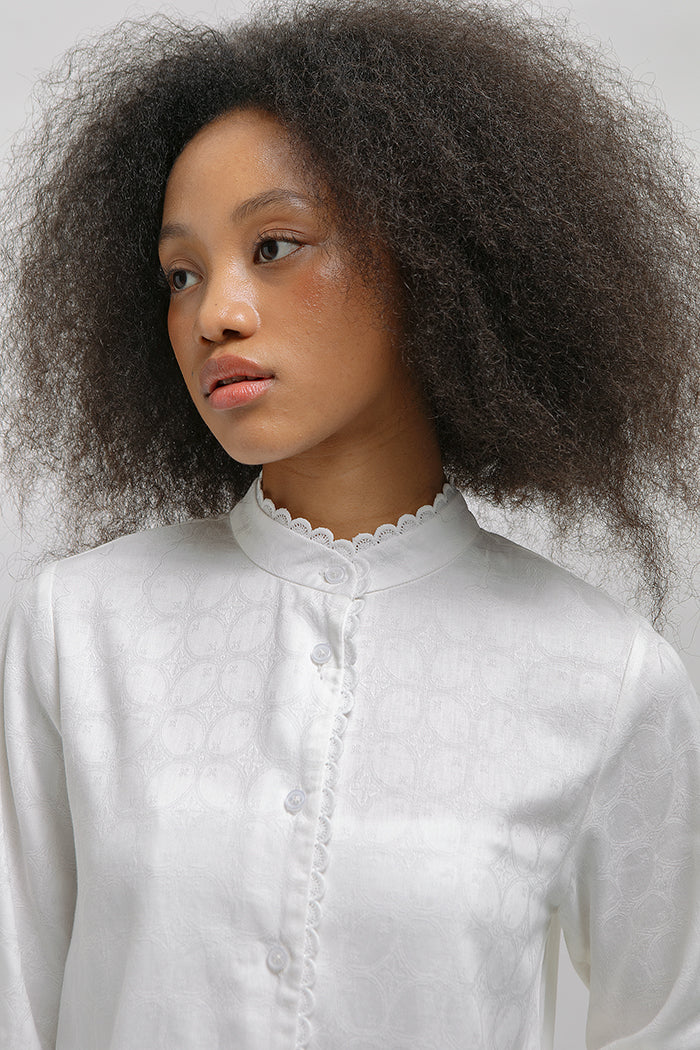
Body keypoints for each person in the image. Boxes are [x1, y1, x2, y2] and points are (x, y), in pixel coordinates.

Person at [1, 0, 699, 1047]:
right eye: (181, 274)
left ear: (428, 258)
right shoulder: (80, 632)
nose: (214, 314)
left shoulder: (603, 679)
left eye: (274, 246)